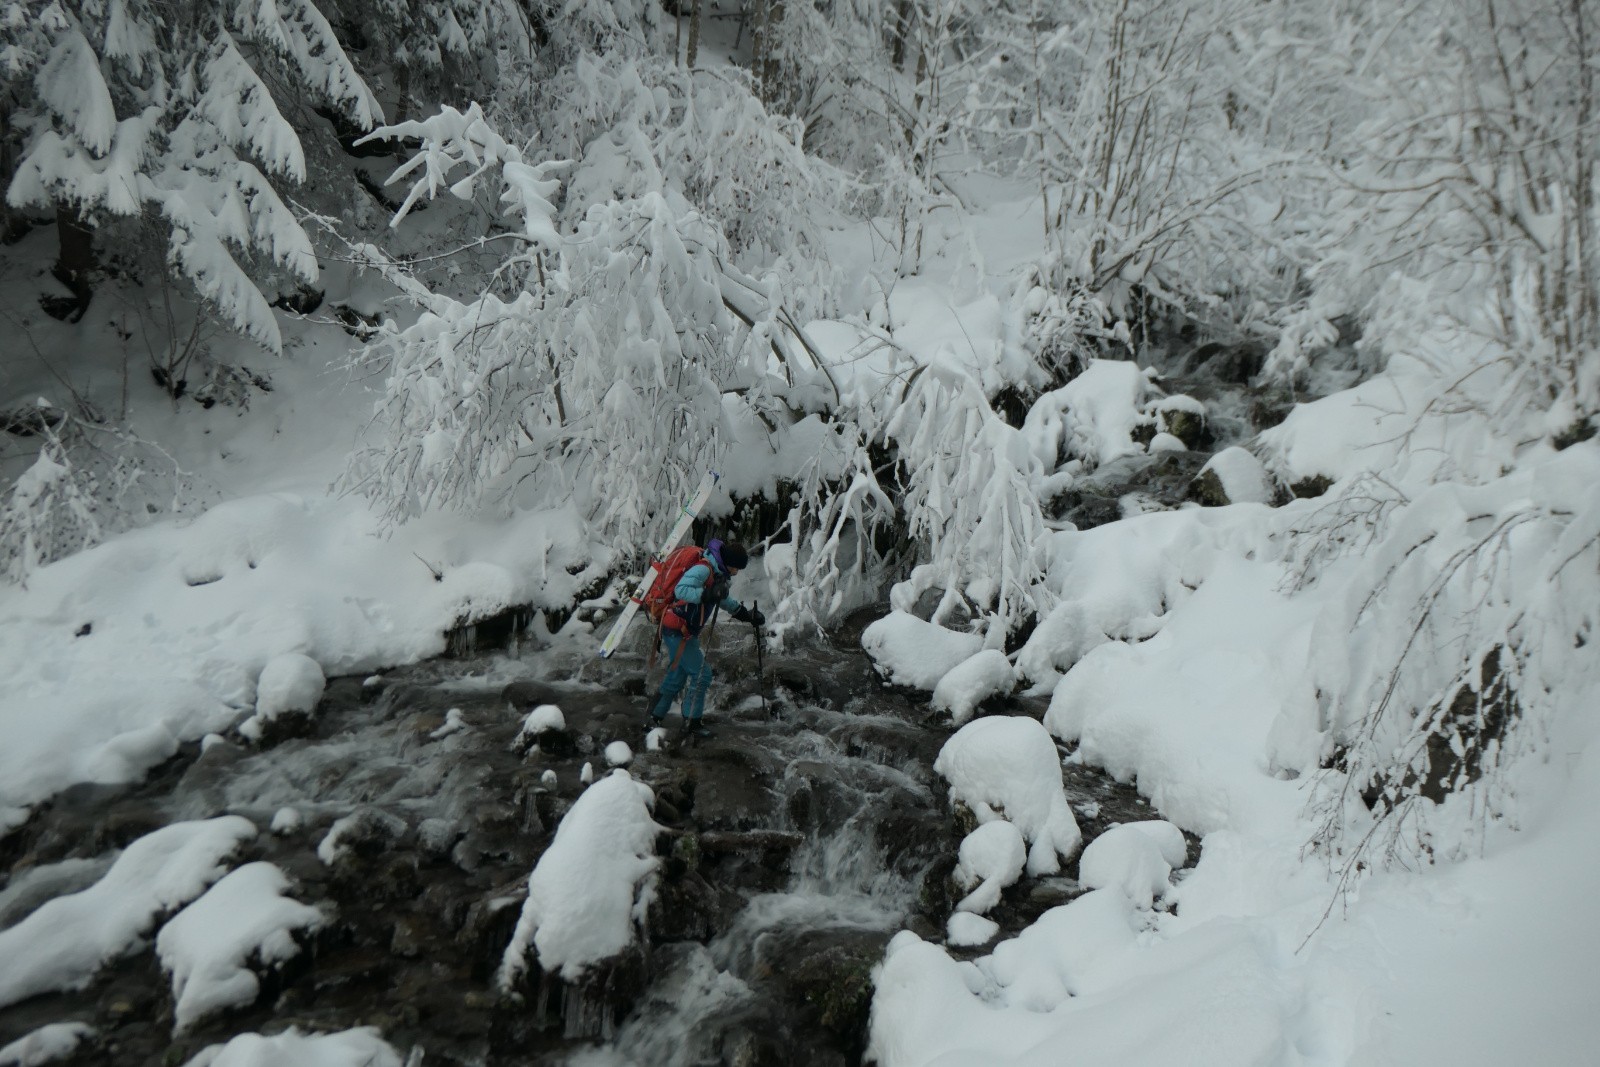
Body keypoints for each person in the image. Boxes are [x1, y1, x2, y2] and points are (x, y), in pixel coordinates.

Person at [648, 539, 765, 738]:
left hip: (682, 631)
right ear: (727, 562)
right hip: (676, 628)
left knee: (677, 676)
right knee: (702, 675)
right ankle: (691, 722)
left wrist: (747, 615)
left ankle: (653, 717)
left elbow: (724, 600)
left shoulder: (717, 572)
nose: (736, 572)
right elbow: (681, 591)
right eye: (735, 568)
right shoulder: (704, 569)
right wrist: (707, 593)